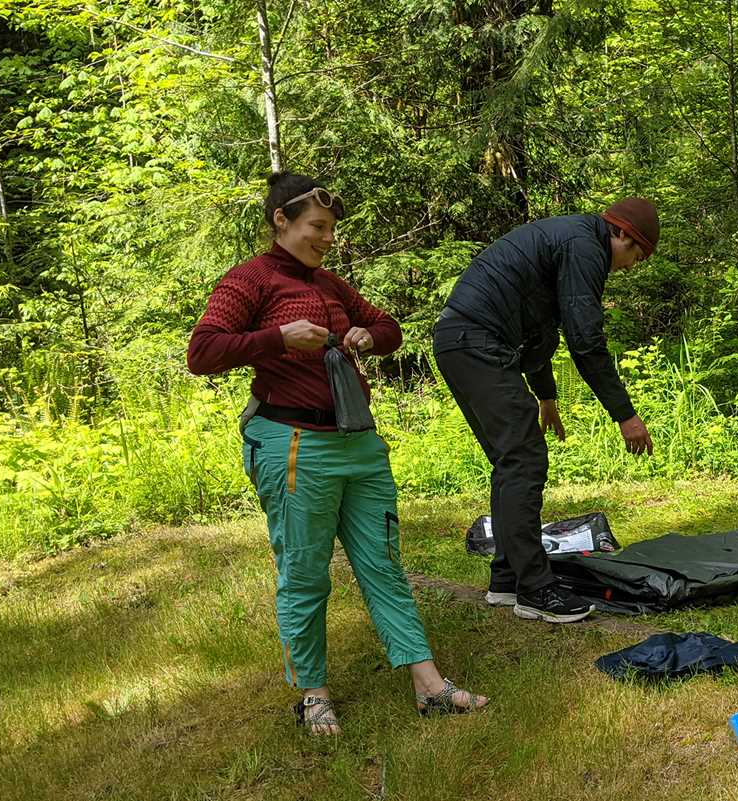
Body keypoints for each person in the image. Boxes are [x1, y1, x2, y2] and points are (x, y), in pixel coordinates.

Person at [188, 172, 487, 735]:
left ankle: (429, 686)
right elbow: (202, 352)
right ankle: (313, 693)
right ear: (282, 221)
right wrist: (276, 340)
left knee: (384, 565)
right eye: (316, 227)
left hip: (359, 444)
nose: (327, 238)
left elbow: (388, 327)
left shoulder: (330, 284)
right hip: (295, 443)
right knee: (304, 574)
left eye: (330, 229)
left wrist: (368, 337)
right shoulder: (249, 280)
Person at [432, 198, 659, 624]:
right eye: (636, 255)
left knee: (511, 460)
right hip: (476, 341)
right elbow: (585, 341)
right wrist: (625, 415)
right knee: (523, 458)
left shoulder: (573, 239)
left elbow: (539, 331)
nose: (631, 266)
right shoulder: (585, 246)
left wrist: (547, 397)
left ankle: (507, 579)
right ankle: (536, 590)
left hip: (462, 340)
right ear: (623, 234)